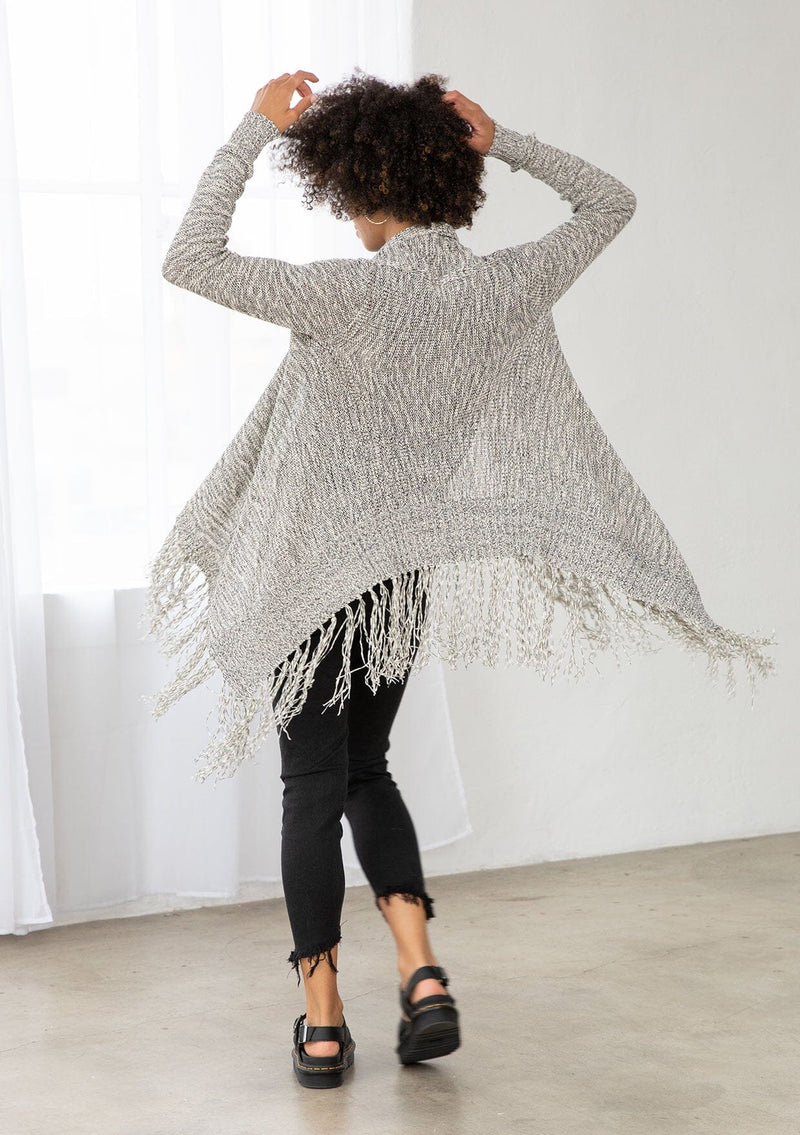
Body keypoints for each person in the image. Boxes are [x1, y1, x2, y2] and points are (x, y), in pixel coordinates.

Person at [146, 65, 776, 1089]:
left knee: (310, 788)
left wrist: (253, 130)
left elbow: (188, 258)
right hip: (399, 582)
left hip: (309, 583)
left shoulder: (341, 294)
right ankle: (421, 970)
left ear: (354, 187)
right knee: (365, 774)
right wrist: (505, 141)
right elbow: (610, 201)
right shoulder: (499, 287)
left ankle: (318, 1018)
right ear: (447, 182)